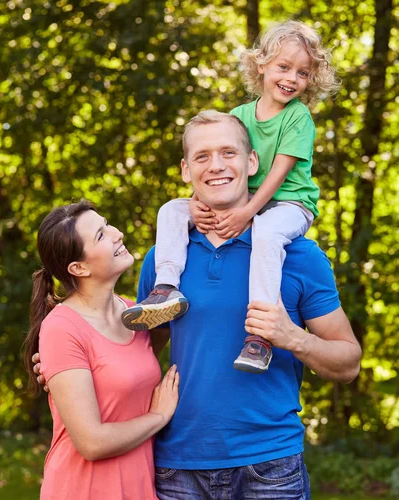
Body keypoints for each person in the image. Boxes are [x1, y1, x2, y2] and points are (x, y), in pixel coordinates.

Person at [135, 111, 361, 500]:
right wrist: (68, 359)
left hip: (270, 470)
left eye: (228, 153)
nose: (216, 165)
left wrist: (292, 336)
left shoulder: (298, 253)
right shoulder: (164, 258)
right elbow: (134, 350)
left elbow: (348, 361)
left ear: (252, 161)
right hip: (178, 470)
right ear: (185, 170)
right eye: (202, 156)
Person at [122, 20, 340, 374]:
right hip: (255, 203)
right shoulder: (239, 116)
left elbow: (278, 173)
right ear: (262, 66)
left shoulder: (298, 117)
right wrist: (195, 202)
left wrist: (248, 212)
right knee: (171, 210)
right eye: (283, 67)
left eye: (302, 73)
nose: (291, 78)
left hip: (290, 204)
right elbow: (217, 163)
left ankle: (259, 337)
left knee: (267, 234)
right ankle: (166, 288)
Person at [24, 201, 179, 500]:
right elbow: (90, 441)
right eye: (100, 234)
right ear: (78, 268)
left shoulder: (134, 313)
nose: (117, 234)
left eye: (108, 224)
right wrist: (158, 416)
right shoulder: (62, 327)